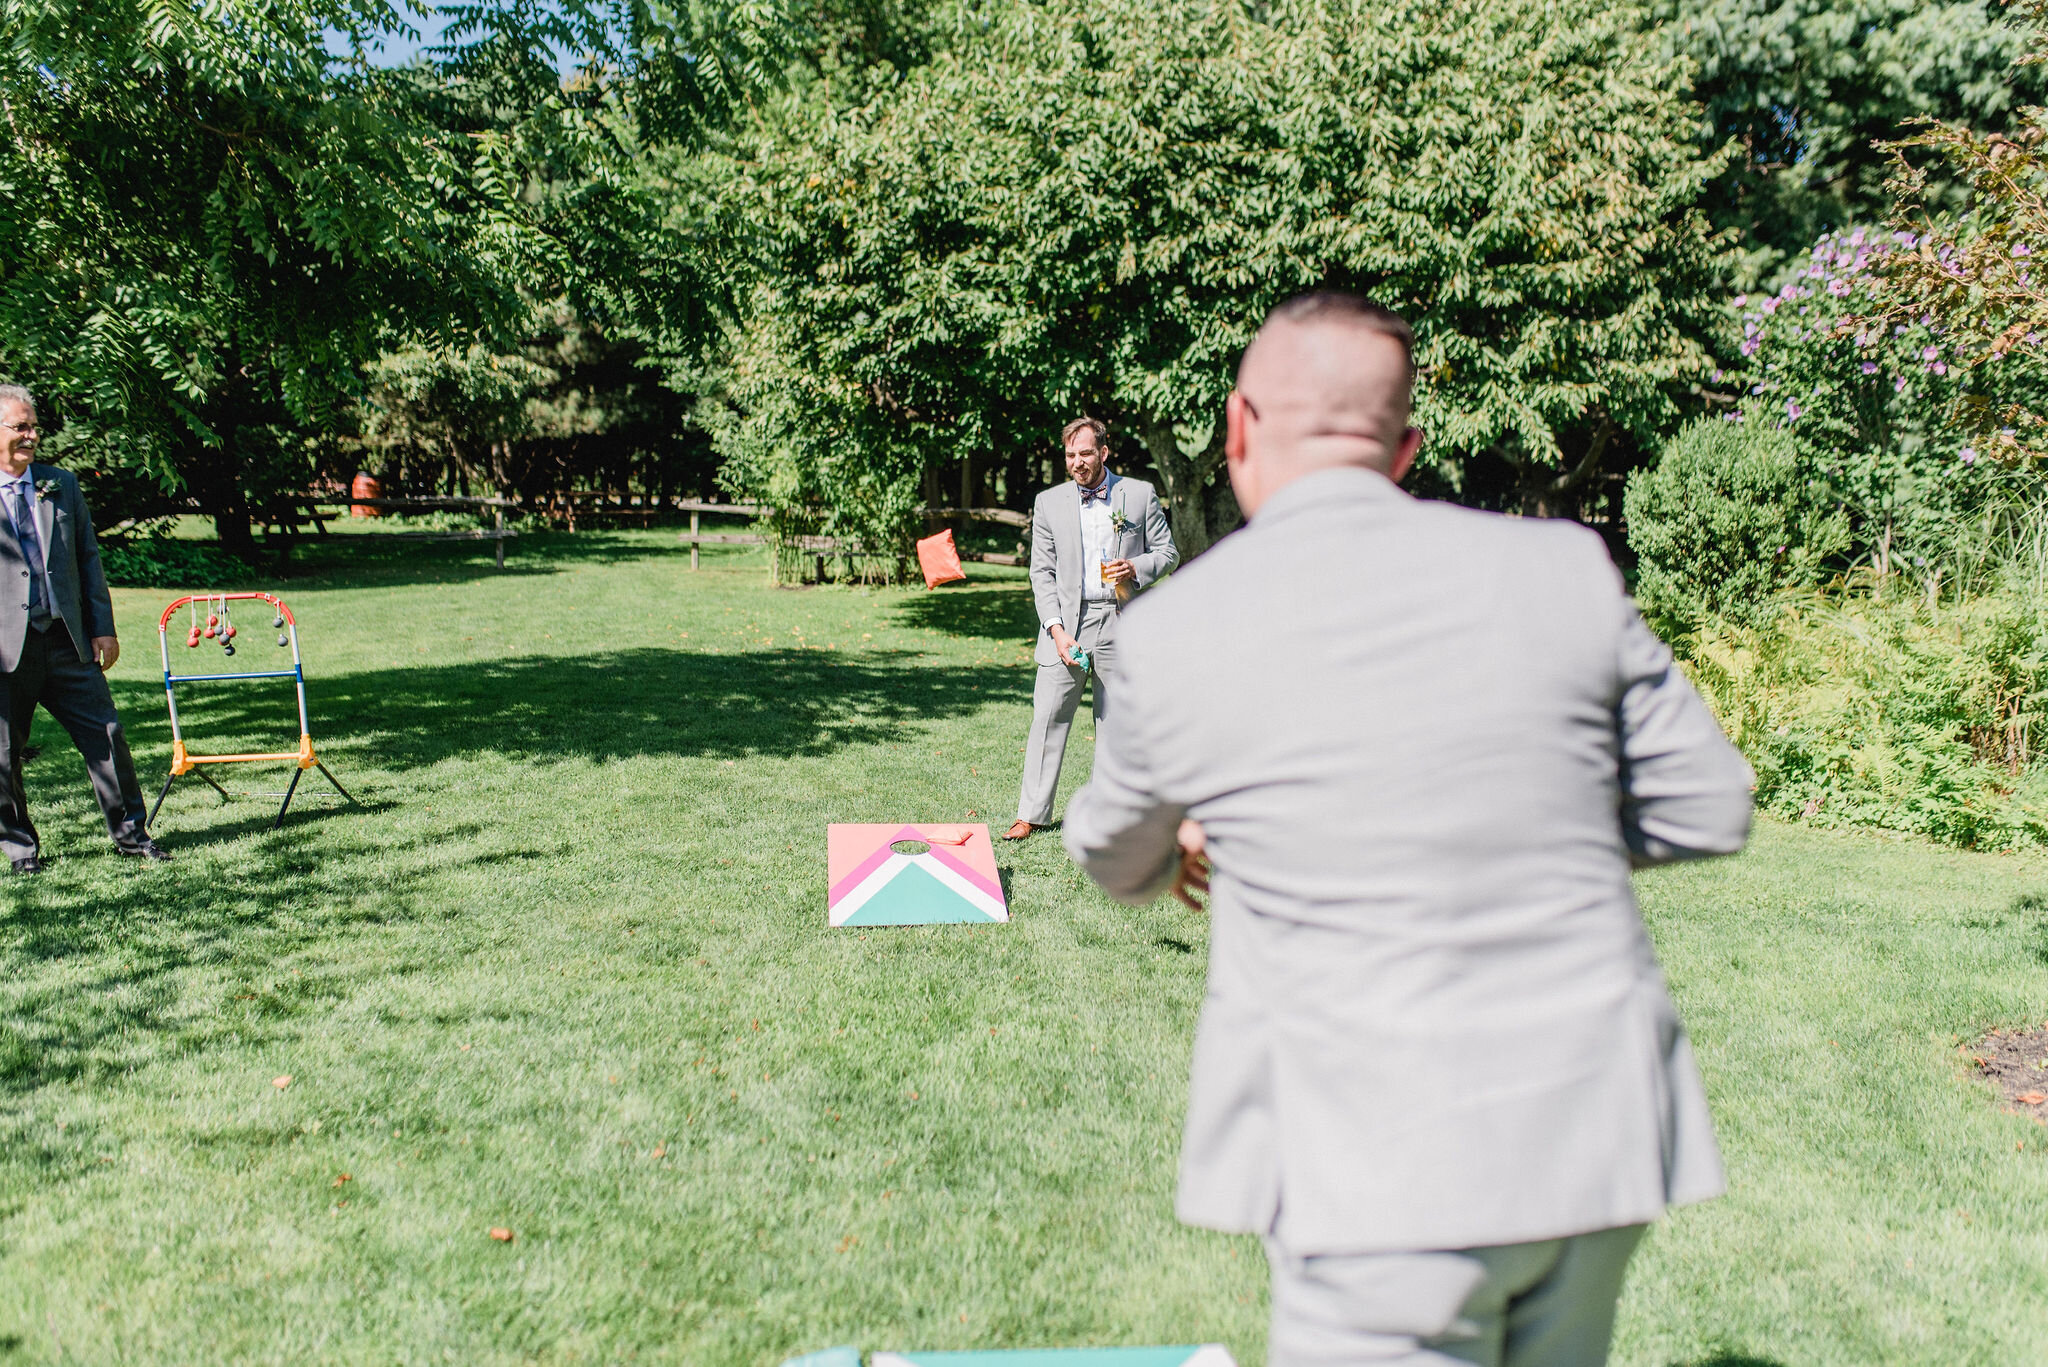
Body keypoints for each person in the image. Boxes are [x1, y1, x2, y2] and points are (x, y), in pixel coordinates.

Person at [1062, 293, 1752, 1366]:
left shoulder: (1179, 626)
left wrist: (1213, 839)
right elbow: (1706, 800)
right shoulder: (1562, 568)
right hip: (1594, 1129)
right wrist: (1528, 822)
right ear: (1404, 448)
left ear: (1236, 428)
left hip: (1374, 1158)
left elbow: (1110, 850)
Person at [0, 385, 168, 872]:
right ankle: (21, 850)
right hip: (7, 649)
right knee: (5, 755)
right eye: (21, 427)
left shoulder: (61, 485)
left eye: (34, 426)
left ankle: (134, 838)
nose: (32, 435)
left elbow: (88, 560)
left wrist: (104, 628)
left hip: (67, 641)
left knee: (107, 736)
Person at [1004, 417, 1178, 841]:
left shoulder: (1137, 495)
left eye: (1085, 454)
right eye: (1070, 455)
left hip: (1120, 621)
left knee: (1116, 722)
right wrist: (1057, 631)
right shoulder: (1048, 502)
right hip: (1069, 625)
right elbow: (1041, 573)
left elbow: (1168, 552)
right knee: (1048, 716)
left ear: (1103, 452)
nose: (1077, 463)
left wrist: (1135, 567)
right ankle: (1031, 813)